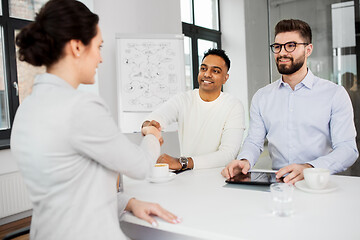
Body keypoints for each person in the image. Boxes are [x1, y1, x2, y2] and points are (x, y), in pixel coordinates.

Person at [10, 1, 180, 239]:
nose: (100, 58)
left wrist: (128, 202)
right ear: (77, 47)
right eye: (98, 47)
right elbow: (140, 166)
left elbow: (69, 190)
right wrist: (152, 135)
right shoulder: (81, 107)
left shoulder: (26, 108)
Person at [222, 19, 358, 184]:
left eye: (291, 45)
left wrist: (310, 168)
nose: (282, 52)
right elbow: (253, 140)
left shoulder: (334, 94)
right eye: (278, 47)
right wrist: (245, 160)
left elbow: (348, 149)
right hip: (279, 186)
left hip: (320, 184)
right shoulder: (262, 96)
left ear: (308, 50)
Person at [142, 49, 245, 171]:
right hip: (187, 176)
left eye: (215, 71)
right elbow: (156, 118)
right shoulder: (183, 99)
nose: (207, 74)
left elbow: (228, 154)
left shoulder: (233, 105)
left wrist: (183, 162)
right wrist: (150, 127)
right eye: (203, 69)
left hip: (218, 178)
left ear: (225, 78)